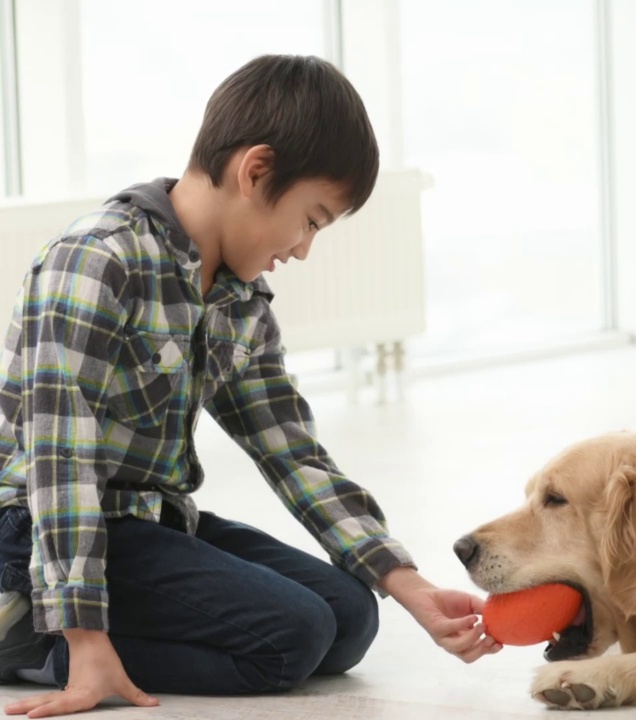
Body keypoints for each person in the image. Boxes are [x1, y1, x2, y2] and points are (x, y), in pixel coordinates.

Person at [0, 54, 499, 718]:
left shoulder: (240, 300)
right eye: (312, 219)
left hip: (150, 525)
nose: (302, 248)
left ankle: (81, 625)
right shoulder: (99, 261)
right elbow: (62, 465)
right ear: (256, 170)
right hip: (37, 528)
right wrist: (84, 636)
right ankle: (37, 640)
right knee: (292, 637)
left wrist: (408, 584)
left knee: (350, 617)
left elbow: (293, 454)